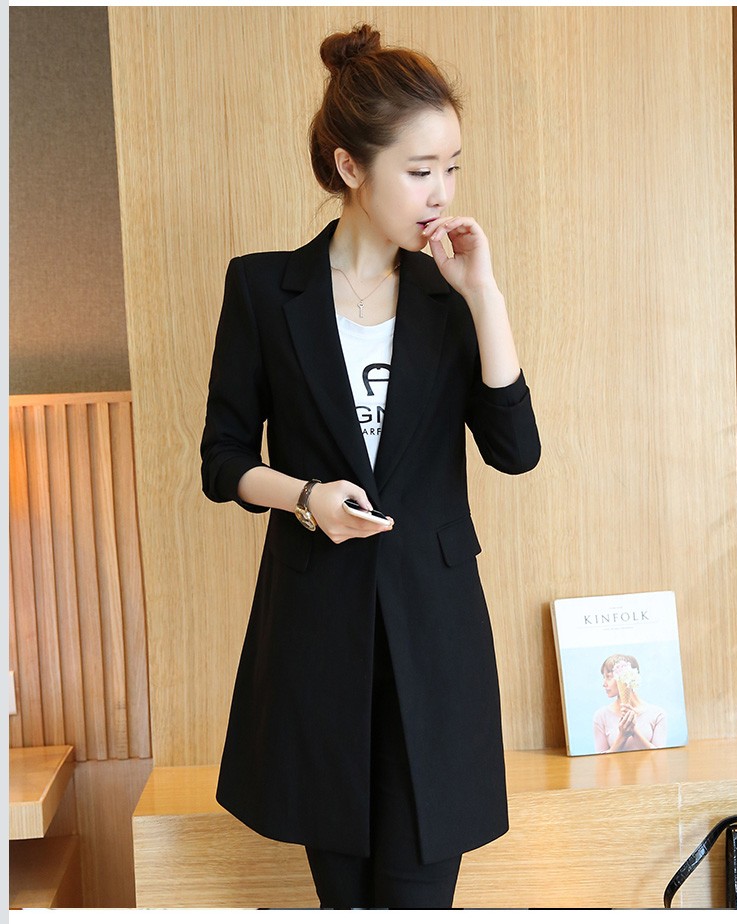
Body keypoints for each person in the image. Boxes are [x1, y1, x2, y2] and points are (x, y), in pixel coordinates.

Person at [200, 24, 541, 910]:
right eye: (419, 170)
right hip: (318, 639)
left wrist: (484, 296)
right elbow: (222, 460)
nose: (442, 192)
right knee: (344, 899)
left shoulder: (448, 298)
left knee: (420, 895)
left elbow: (515, 451)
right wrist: (307, 497)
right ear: (351, 167)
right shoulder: (263, 290)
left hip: (435, 641)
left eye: (451, 168)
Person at [593, 654, 667, 753]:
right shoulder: (601, 716)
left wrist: (634, 731)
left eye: (608, 677)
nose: (604, 684)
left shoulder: (657, 714)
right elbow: (601, 760)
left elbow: (660, 756)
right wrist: (622, 736)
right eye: (604, 677)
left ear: (627, 677)